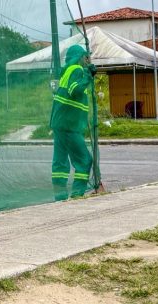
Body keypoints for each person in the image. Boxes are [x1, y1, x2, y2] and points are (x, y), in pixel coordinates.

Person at [50, 44, 94, 201]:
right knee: (84, 160)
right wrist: (89, 75)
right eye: (86, 57)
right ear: (81, 57)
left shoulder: (67, 71)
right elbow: (75, 91)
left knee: (60, 163)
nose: (88, 60)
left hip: (60, 123)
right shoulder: (77, 70)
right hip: (69, 124)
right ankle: (77, 195)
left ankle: (60, 197)